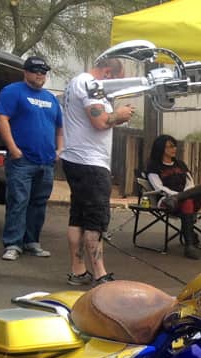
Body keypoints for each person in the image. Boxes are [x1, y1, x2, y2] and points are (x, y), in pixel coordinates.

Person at [59, 56, 135, 286]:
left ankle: (78, 270)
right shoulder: (92, 84)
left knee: (78, 217)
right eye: (114, 82)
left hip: (75, 158)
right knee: (95, 220)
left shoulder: (76, 83)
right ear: (107, 74)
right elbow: (100, 121)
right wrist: (119, 115)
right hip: (91, 162)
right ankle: (100, 273)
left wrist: (116, 117)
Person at [0, 55, 63, 261]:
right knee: (18, 201)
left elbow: (60, 127)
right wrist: (13, 148)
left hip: (46, 161)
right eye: (36, 71)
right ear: (26, 72)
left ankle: (32, 242)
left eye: (43, 72)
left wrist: (60, 149)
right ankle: (13, 244)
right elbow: (2, 118)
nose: (40, 75)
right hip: (22, 160)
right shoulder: (12, 91)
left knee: (39, 203)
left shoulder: (51, 99)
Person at [145, 134, 201, 259]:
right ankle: (189, 246)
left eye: (174, 146)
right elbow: (159, 187)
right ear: (161, 149)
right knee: (187, 201)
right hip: (166, 201)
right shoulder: (154, 166)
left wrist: (180, 196)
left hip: (181, 200)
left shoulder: (180, 164)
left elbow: (190, 183)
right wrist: (176, 196)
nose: (174, 149)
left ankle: (189, 245)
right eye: (170, 147)